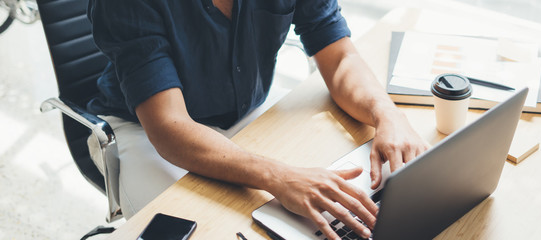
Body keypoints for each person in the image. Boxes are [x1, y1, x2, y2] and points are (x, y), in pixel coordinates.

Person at [88, 0, 429, 239]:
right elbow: (168, 127)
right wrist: (279, 177)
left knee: (321, 211)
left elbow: (339, 58)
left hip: (248, 110)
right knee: (211, 230)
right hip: (146, 131)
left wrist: (386, 113)